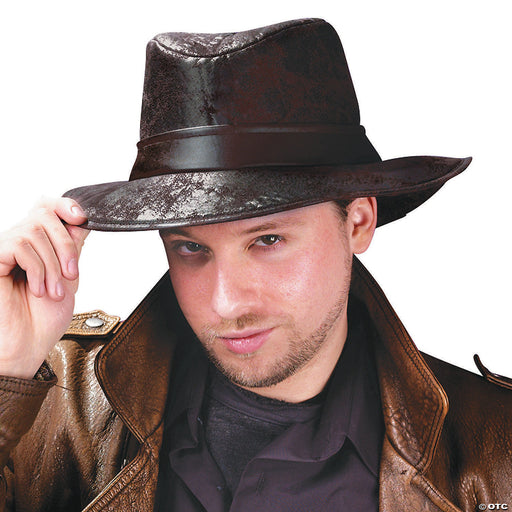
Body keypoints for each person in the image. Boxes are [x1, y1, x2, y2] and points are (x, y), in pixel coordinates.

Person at [0, 18, 511, 512]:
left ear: (357, 222)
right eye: (191, 248)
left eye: (268, 239)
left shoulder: (497, 452)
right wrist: (5, 370)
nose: (227, 303)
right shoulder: (55, 407)